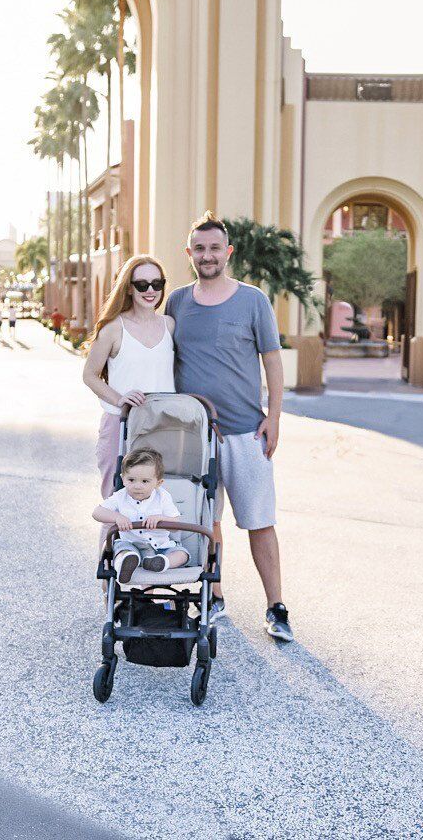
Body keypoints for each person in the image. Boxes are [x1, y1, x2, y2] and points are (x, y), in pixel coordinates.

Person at [167, 210, 293, 643]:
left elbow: (272, 361)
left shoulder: (253, 300)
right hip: (195, 437)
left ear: (228, 252)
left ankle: (276, 608)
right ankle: (214, 596)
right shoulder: (177, 302)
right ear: (189, 253)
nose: (207, 255)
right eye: (199, 248)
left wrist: (273, 417)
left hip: (245, 432)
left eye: (215, 248)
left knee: (259, 521)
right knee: (206, 521)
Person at [83, 255, 176, 497]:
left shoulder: (170, 325)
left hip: (162, 426)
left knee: (159, 501)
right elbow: (90, 375)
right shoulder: (113, 327)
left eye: (157, 283)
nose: (150, 290)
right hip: (120, 424)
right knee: (116, 500)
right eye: (142, 284)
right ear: (129, 288)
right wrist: (119, 398)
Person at [93, 446, 190, 584]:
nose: (137, 486)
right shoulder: (120, 496)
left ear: (158, 483)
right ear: (123, 478)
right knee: (121, 550)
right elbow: (97, 512)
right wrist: (117, 517)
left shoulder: (162, 497)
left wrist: (161, 518)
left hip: (161, 547)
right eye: (131, 480)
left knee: (182, 555)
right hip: (132, 545)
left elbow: (176, 524)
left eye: (145, 481)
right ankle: (124, 565)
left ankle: (162, 563)